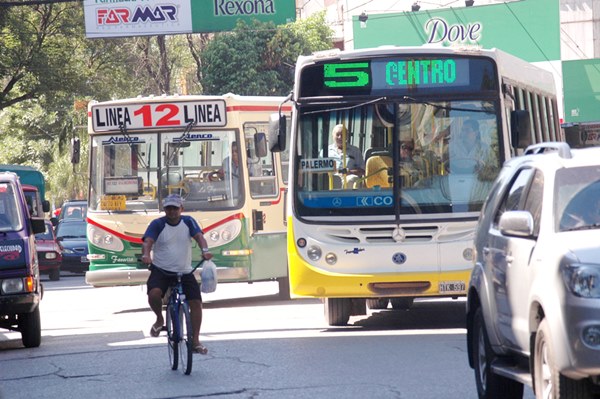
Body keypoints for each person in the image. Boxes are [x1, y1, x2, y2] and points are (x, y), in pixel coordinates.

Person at [141, 193, 213, 354]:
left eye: (175, 208)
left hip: (185, 271)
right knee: (154, 293)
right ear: (164, 210)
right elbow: (148, 242)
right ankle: (159, 319)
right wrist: (146, 255)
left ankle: (195, 341)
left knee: (196, 302)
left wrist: (205, 251)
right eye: (168, 209)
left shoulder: (188, 221)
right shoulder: (157, 224)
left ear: (181, 208)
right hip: (161, 270)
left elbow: (199, 237)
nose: (172, 212)